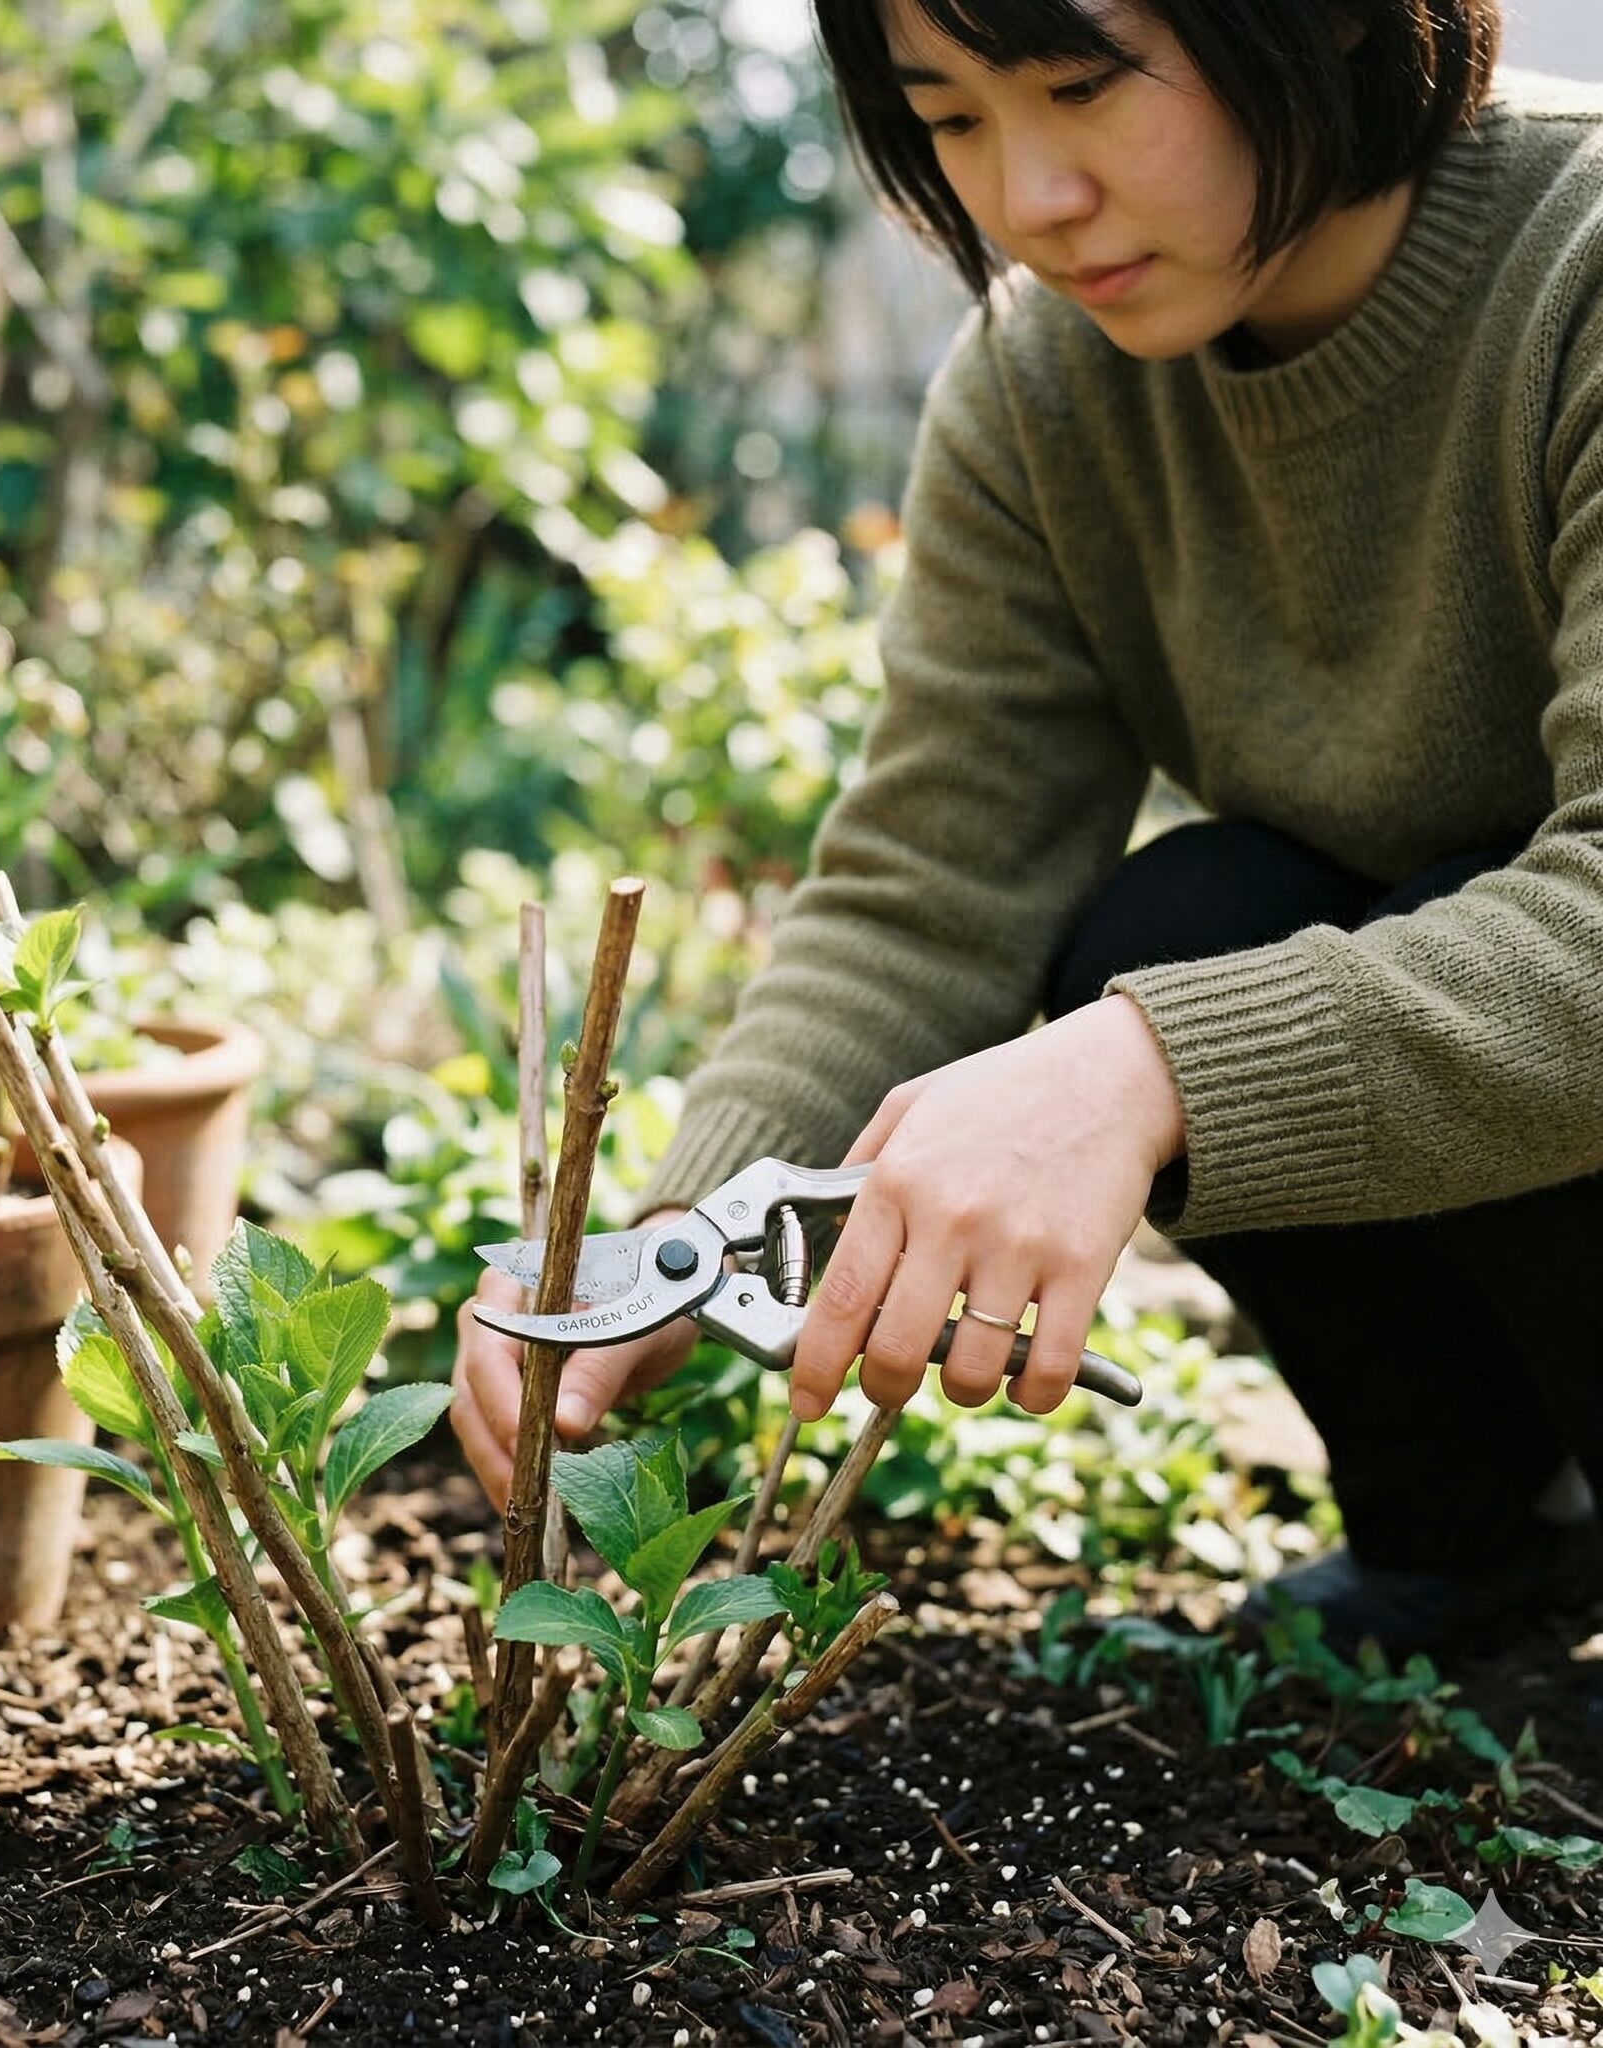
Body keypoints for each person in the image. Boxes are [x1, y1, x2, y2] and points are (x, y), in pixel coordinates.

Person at [451, 0, 1603, 1657]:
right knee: (1189, 920)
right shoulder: (1048, 386)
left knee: (1176, 1011)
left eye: (1082, 87)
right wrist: (678, 1239)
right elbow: (933, 887)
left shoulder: (1577, 269)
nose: (1028, 199)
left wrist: (1151, 1072)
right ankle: (1476, 1545)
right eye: (953, 117)